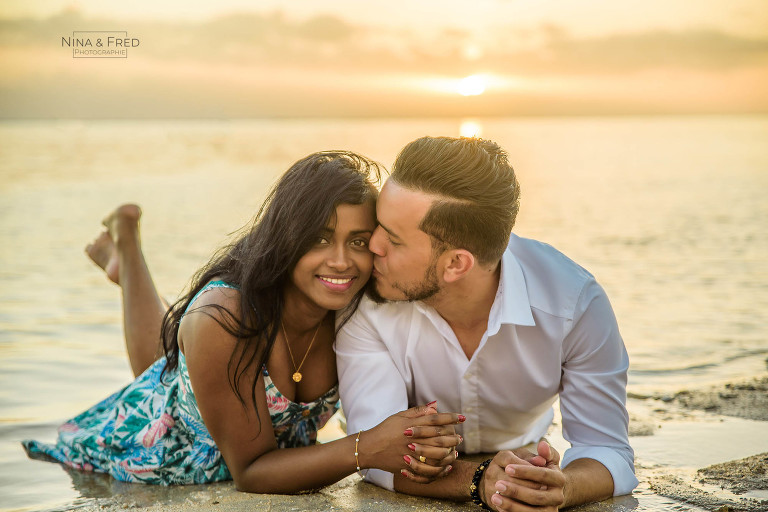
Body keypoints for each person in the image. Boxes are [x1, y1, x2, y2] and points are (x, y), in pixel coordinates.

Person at [23, 151, 464, 493]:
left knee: (169, 360)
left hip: (211, 372)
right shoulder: (224, 318)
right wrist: (365, 447)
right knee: (164, 373)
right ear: (286, 237)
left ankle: (126, 263)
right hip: (160, 448)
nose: (342, 261)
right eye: (320, 239)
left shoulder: (361, 306)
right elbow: (251, 472)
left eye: (359, 241)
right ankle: (128, 243)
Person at [336, 136, 639, 510]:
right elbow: (375, 455)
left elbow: (608, 450)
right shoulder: (368, 300)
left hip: (524, 448)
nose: (373, 246)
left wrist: (560, 487)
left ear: (455, 265)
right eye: (378, 224)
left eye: (394, 240)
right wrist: (480, 481)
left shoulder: (573, 304)